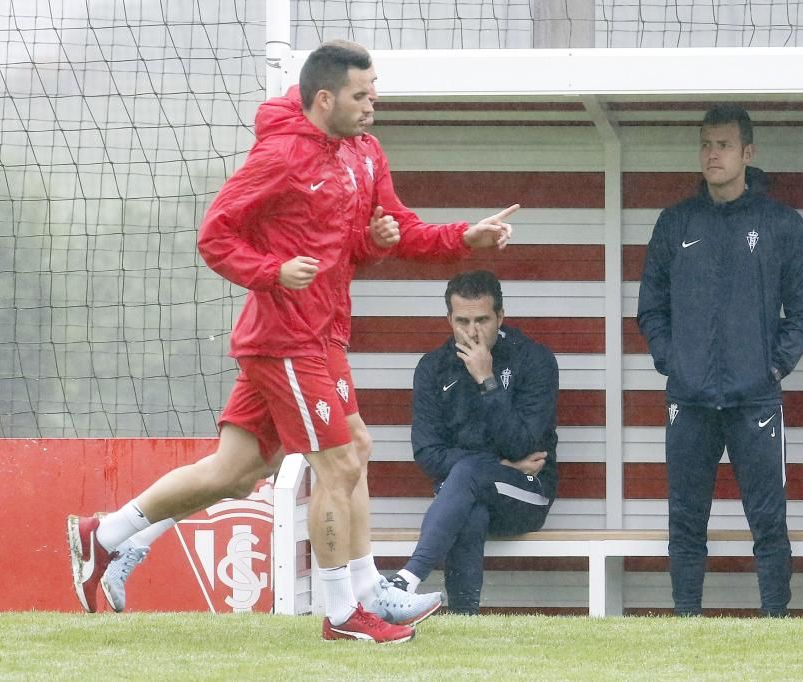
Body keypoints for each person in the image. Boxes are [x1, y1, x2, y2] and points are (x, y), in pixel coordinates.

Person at [67, 40, 515, 644]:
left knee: (235, 471)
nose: (372, 104)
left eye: (374, 91)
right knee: (344, 457)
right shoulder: (280, 156)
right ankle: (347, 608)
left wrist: (463, 235)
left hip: (318, 331)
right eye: (362, 94)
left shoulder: (363, 153)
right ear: (325, 97)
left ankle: (108, 534)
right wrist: (273, 272)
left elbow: (390, 232)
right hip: (289, 336)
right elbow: (215, 236)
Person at [636, 104, 803, 617]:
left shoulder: (780, 224)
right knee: (686, 519)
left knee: (767, 518)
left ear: (748, 152)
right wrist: (673, 362)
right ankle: (685, 620)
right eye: (705, 143)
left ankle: (775, 619)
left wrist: (775, 365)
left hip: (755, 396)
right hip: (689, 398)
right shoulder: (676, 223)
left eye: (722, 144)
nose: (711, 154)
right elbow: (650, 307)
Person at [385, 270, 559, 614]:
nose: (473, 331)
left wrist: (486, 379)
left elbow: (524, 446)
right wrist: (494, 466)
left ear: (501, 317)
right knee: (471, 506)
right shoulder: (433, 368)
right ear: (449, 319)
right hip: (464, 496)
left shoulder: (534, 360)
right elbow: (427, 454)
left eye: (482, 320)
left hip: (525, 494)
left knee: (467, 475)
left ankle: (406, 579)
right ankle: (464, 619)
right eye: (462, 321)